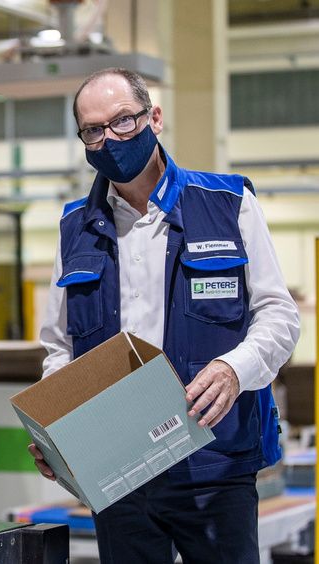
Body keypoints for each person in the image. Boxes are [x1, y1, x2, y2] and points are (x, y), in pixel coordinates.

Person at [29, 68, 300, 563]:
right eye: (93, 130)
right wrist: (57, 425)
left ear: (154, 118)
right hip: (120, 469)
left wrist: (234, 369)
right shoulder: (75, 228)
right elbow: (59, 347)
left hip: (214, 465)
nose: (109, 138)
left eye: (123, 121)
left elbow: (279, 315)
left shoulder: (227, 204)